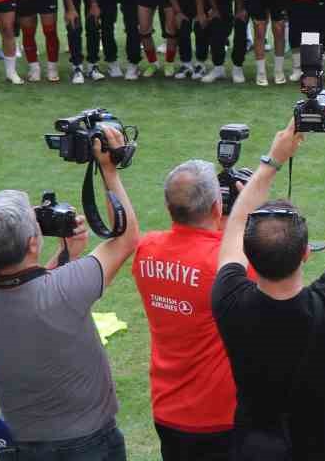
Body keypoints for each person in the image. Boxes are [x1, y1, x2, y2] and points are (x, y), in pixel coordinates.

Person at [0, 120, 139, 459]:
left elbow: (26, 285)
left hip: (21, 443)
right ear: (33, 243)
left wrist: (64, 255)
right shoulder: (65, 290)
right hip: (87, 443)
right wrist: (108, 170)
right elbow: (126, 239)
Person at [213, 105, 325, 461]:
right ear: (305, 254)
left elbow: (235, 224)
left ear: (249, 258)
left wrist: (273, 159)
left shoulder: (229, 300)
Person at [133, 160, 238, 459]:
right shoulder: (223, 263)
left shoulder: (147, 248)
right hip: (219, 416)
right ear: (217, 208)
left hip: (166, 409)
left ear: (169, 208)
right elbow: (285, 257)